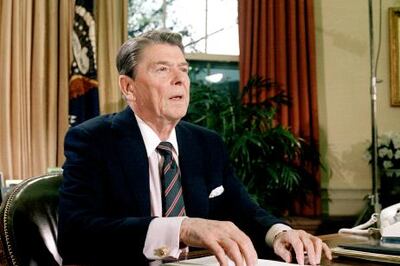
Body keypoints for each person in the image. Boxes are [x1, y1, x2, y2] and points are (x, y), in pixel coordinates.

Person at [58, 30, 332, 266]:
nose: (180, 79)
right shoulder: (93, 140)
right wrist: (181, 228)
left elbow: (243, 210)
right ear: (128, 87)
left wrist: (279, 233)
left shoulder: (206, 143)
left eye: (184, 69)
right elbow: (75, 234)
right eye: (163, 69)